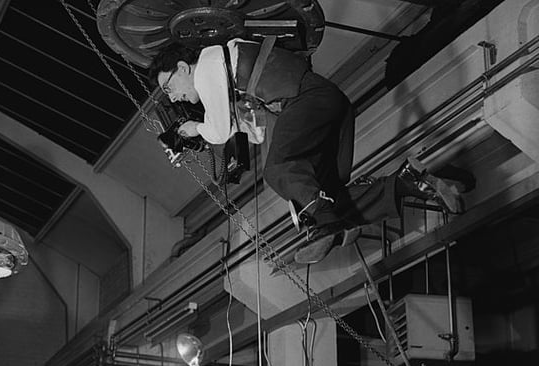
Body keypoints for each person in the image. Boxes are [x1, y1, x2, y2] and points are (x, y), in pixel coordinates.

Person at [149, 39, 468, 263]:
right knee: (331, 193)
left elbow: (218, 130)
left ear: (182, 67)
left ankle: (326, 227)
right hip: (331, 105)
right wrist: (201, 133)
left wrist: (194, 129)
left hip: (309, 99)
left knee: (277, 169)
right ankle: (407, 183)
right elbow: (255, 132)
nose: (173, 97)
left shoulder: (206, 66)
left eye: (169, 87)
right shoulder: (229, 74)